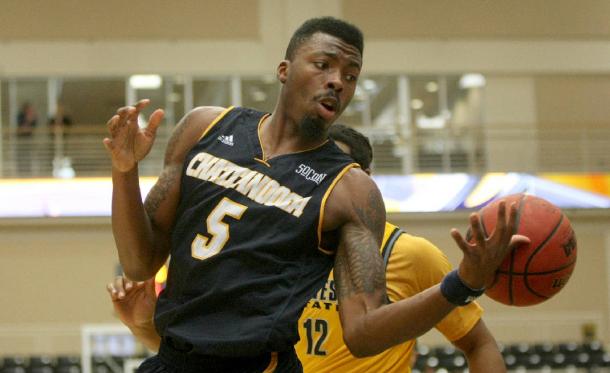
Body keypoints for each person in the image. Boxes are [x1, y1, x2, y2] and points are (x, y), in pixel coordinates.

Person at [103, 17, 526, 373]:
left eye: (350, 76)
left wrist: (462, 284)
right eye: (323, 65)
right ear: (284, 69)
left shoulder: (351, 189)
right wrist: (125, 172)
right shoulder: (205, 127)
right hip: (171, 360)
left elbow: (362, 333)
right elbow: (141, 261)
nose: (337, 82)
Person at [107, 124, 506, 372]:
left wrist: (463, 284)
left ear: (361, 183)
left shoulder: (410, 254)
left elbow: (479, 343)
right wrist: (142, 325)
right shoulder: (266, 252)